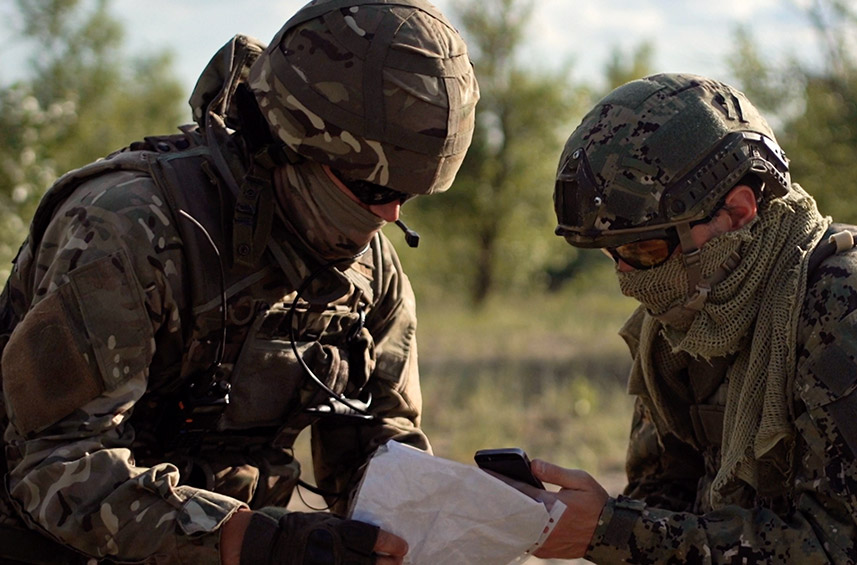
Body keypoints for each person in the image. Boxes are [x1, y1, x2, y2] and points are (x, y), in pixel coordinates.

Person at [0, 0, 479, 563]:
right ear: (289, 144)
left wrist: (472, 509)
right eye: (373, 191)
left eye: (409, 196)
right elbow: (54, 466)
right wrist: (251, 541)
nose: (392, 216)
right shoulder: (132, 228)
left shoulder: (369, 274)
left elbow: (376, 453)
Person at [530, 73, 857, 563]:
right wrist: (595, 519)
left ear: (740, 211)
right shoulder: (689, 308)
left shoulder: (838, 308)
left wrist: (616, 534)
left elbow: (837, 545)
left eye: (644, 248)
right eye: (612, 254)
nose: (627, 273)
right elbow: (667, 485)